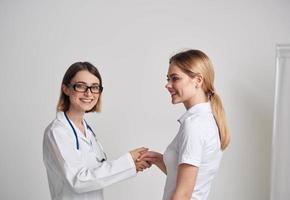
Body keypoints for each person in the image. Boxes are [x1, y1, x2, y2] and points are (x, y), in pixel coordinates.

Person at [43, 62, 150, 200]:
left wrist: (132, 166)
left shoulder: (86, 130)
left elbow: (96, 172)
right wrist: (128, 160)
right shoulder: (58, 132)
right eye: (81, 86)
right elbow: (79, 181)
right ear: (66, 89)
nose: (89, 93)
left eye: (94, 87)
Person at [139, 49, 230, 200]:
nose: (168, 85)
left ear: (198, 80)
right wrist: (157, 159)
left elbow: (183, 194)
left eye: (175, 78)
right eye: (168, 79)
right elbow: (187, 177)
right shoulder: (206, 119)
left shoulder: (194, 125)